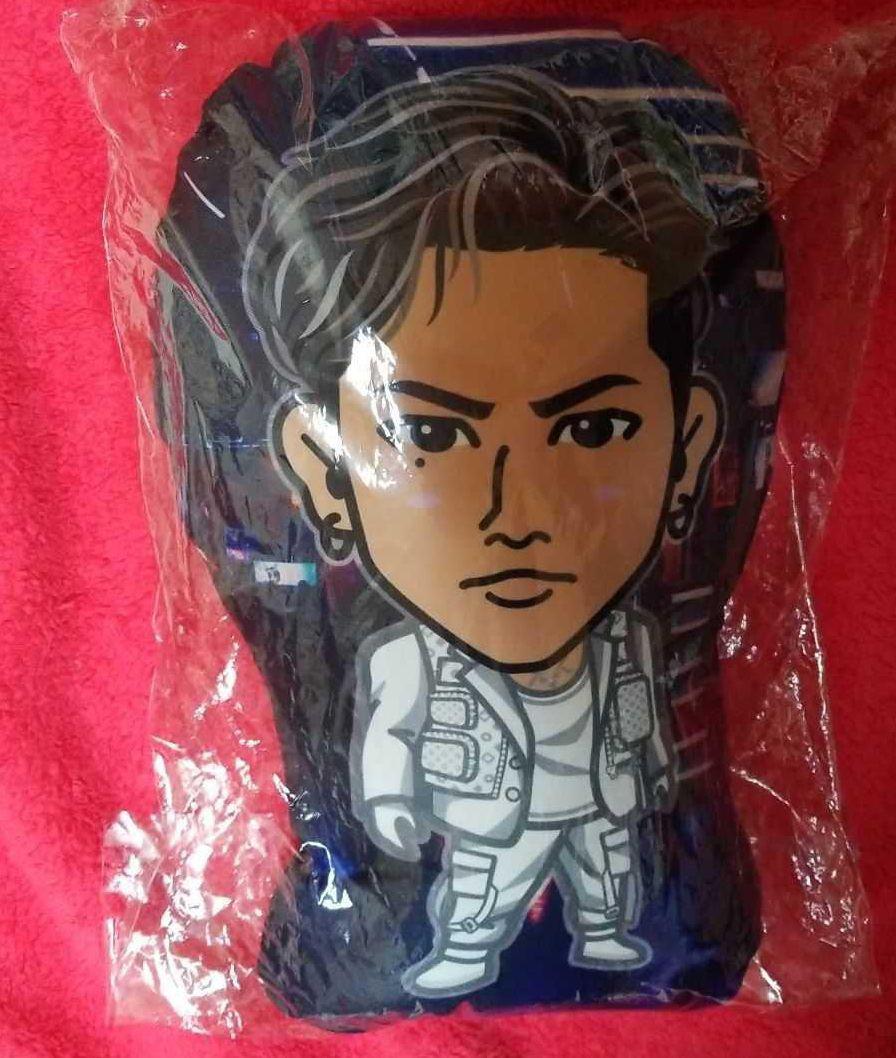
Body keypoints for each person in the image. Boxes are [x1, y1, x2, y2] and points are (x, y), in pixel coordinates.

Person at [242, 64, 727, 998]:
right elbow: (387, 736)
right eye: (429, 435)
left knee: (607, 872)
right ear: (323, 469)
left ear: (686, 449)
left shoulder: (624, 647)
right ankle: (467, 943)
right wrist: (389, 801)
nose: (520, 514)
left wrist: (660, 774)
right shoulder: (403, 662)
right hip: (479, 831)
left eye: (593, 428)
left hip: (603, 810)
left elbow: (649, 736)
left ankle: (606, 931)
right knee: (482, 887)